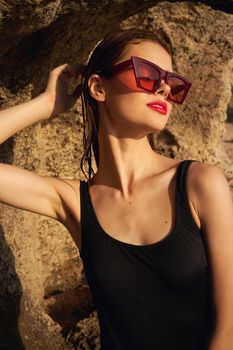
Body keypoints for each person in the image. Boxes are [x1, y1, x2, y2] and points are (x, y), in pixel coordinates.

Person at [0, 28, 233, 350]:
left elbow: (229, 328)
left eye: (172, 82)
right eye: (148, 74)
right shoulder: (74, 202)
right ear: (98, 87)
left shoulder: (200, 182)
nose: (164, 87)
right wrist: (46, 105)